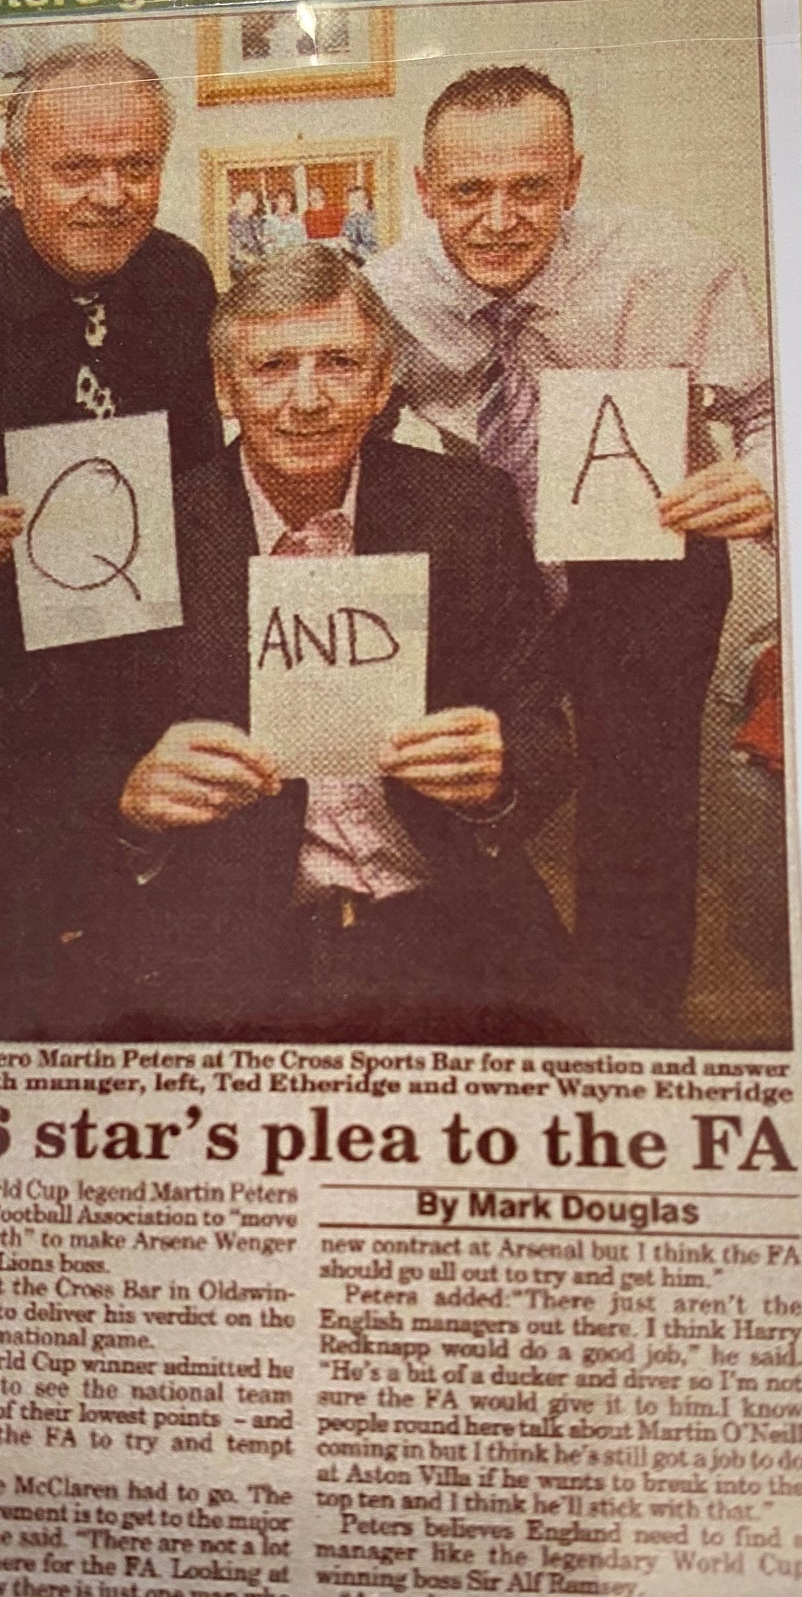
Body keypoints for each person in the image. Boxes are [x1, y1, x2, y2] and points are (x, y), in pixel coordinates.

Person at [367, 64, 775, 1044]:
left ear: (572, 179)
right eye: (468, 192)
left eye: (530, 189)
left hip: (642, 558)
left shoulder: (673, 265)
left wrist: (766, 475)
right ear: (424, 190)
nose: (499, 218)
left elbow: (772, 413)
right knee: (462, 775)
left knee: (640, 802)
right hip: (491, 557)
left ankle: (634, 1035)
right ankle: (509, 1011)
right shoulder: (383, 293)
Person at [95, 247, 577, 1043]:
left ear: (383, 382)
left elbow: (541, 732)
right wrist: (133, 797)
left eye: (341, 363)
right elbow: (72, 753)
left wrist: (500, 772)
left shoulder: (465, 507)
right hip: (228, 943)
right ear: (225, 388)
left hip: (447, 922)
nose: (307, 399)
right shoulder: (148, 528)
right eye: (273, 366)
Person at [0, 46, 223, 1036]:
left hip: (137, 652)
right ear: (14, 173)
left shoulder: (180, 278)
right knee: (28, 931)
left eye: (137, 165)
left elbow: (199, 483)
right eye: (76, 169)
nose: (111, 194)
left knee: (161, 921)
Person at [227, 186, 267, 275]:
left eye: (253, 202)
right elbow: (233, 250)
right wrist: (251, 259)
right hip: (239, 269)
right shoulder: (230, 221)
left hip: (257, 267)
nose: (251, 205)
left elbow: (259, 242)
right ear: (238, 202)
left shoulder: (254, 220)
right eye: (246, 202)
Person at [261, 187, 307, 254]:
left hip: (294, 255)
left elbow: (303, 240)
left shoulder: (297, 220)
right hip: (277, 256)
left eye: (288, 202)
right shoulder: (269, 221)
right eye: (281, 202)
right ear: (276, 202)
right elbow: (266, 242)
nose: (285, 206)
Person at [340, 185, 379, 262]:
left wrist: (353, 248)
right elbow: (345, 239)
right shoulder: (350, 219)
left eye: (357, 200)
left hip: (374, 260)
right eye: (351, 202)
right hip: (355, 260)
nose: (353, 204)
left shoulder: (375, 218)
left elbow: (375, 247)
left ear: (366, 200)